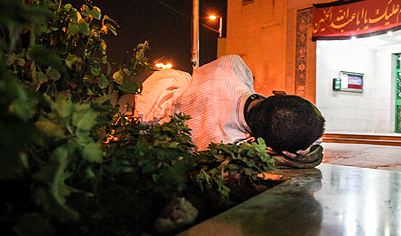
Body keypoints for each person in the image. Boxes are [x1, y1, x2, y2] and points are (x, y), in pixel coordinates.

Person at [135, 55, 325, 168]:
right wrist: (285, 157)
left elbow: (293, 120)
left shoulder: (233, 65)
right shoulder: (218, 141)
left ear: (277, 95)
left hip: (168, 81)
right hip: (147, 112)